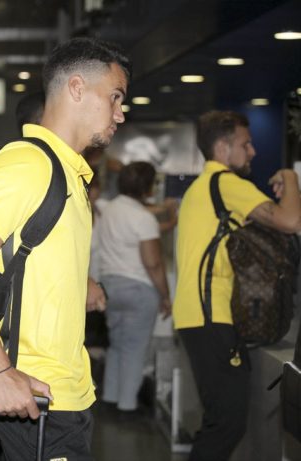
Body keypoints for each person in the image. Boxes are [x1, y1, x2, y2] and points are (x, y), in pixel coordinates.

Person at [0, 37, 131, 460]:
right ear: (77, 88)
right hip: (34, 392)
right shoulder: (29, 163)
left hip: (65, 393)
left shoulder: (69, 172)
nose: (120, 113)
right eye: (115, 97)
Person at [172, 110, 301, 460]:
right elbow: (291, 221)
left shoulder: (203, 187)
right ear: (222, 148)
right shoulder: (226, 183)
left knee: (221, 419)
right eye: (246, 144)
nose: (253, 152)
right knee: (226, 423)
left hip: (199, 314)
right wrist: (291, 176)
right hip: (210, 315)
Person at [97, 161, 173, 416]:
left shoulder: (109, 210)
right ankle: (127, 406)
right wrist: (165, 295)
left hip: (109, 286)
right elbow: (153, 263)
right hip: (138, 289)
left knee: (117, 345)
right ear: (147, 187)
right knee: (135, 349)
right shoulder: (143, 218)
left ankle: (110, 398)